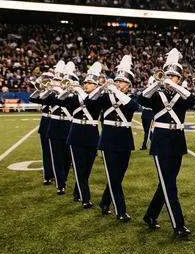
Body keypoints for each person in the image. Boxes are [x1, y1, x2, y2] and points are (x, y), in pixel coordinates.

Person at [138, 49, 195, 237]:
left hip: (178, 141)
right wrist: (158, 82)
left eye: (175, 76)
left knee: (166, 183)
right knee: (169, 184)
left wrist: (175, 85)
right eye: (169, 75)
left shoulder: (181, 96)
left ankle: (150, 215)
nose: (171, 78)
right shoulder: (157, 95)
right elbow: (141, 99)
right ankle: (178, 224)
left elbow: (193, 101)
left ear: (179, 79)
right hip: (161, 140)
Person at [86, 55, 139, 222]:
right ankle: (120, 211)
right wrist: (103, 87)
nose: (118, 83)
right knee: (113, 177)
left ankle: (104, 202)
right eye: (117, 80)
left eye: (122, 82)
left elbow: (132, 106)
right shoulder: (104, 96)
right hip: (108, 139)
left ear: (129, 85)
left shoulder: (131, 96)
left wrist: (115, 90)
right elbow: (89, 99)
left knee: (118, 176)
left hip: (125, 140)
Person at [64, 62, 104, 208]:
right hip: (76, 135)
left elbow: (89, 100)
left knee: (87, 168)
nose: (86, 85)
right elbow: (59, 100)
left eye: (89, 83)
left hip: (92, 136)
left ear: (95, 86)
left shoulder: (99, 98)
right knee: (80, 168)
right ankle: (85, 198)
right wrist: (69, 88)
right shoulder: (74, 97)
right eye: (85, 83)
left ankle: (77, 191)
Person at [40, 61, 74, 195]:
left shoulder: (72, 93)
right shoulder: (50, 93)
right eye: (55, 80)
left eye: (59, 80)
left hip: (68, 125)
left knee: (67, 158)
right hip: (51, 124)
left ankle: (62, 178)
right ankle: (56, 180)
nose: (56, 82)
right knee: (51, 154)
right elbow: (38, 99)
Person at [29, 69, 56, 185]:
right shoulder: (43, 93)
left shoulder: (58, 92)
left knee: (57, 151)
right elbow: (32, 98)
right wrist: (41, 89)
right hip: (46, 120)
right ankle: (47, 175)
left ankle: (58, 173)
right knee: (46, 151)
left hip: (56, 121)